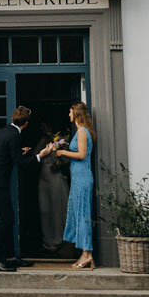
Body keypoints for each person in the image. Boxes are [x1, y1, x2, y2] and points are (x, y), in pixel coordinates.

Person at [0, 105, 33, 272]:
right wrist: (40, 156)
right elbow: (20, 164)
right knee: (7, 219)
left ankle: (11, 256)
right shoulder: (15, 136)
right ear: (25, 123)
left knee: (8, 218)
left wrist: (20, 152)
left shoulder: (3, 131)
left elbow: (5, 152)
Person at [50, 102, 96, 269]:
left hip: (83, 178)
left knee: (83, 215)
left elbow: (82, 154)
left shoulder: (82, 132)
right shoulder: (79, 132)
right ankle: (85, 253)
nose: (68, 115)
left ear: (76, 114)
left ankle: (87, 254)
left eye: (70, 112)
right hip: (78, 178)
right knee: (78, 214)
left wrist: (62, 152)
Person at [34, 130, 70, 255]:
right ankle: (47, 242)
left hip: (55, 177)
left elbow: (67, 159)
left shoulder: (62, 141)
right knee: (45, 210)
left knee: (57, 209)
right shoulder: (43, 141)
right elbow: (35, 156)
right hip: (43, 178)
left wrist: (58, 163)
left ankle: (58, 241)